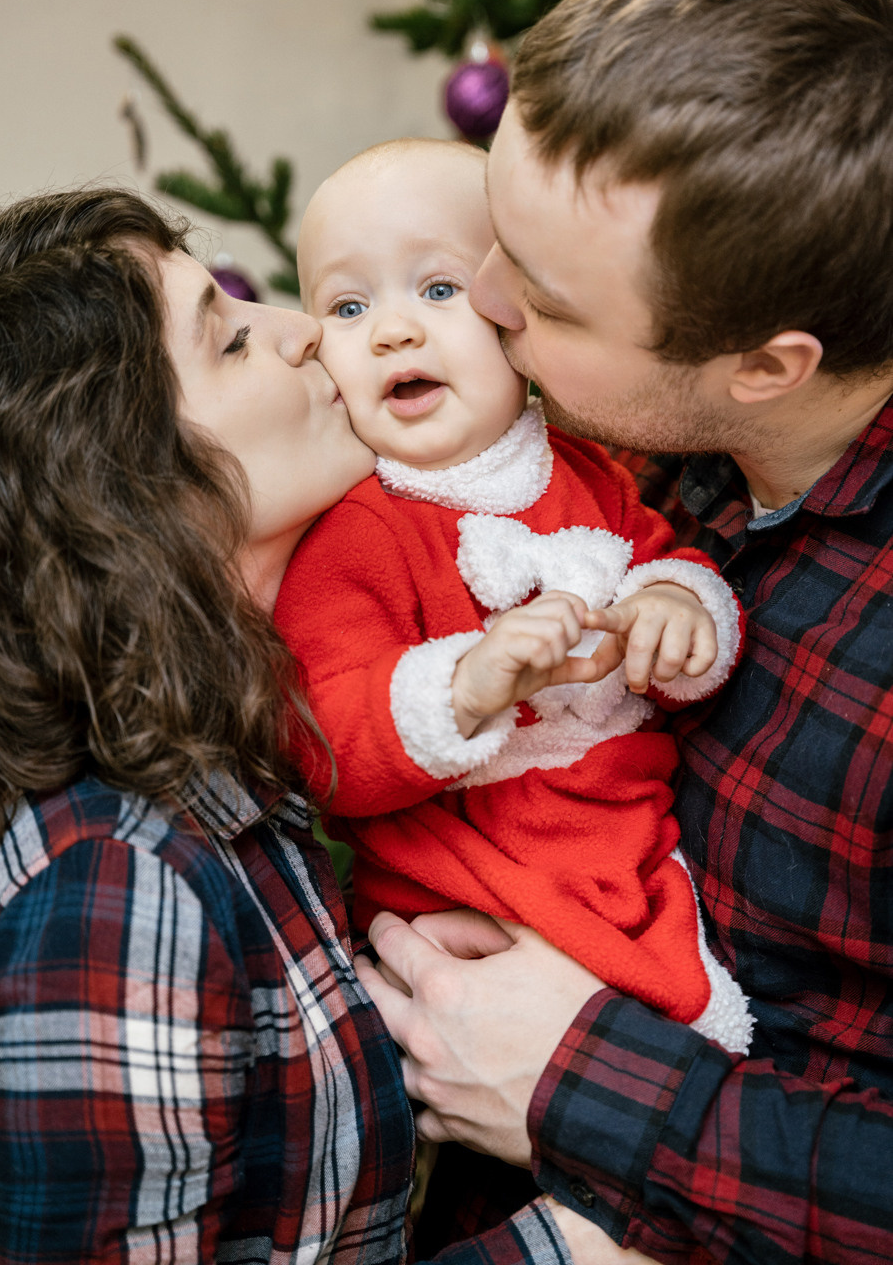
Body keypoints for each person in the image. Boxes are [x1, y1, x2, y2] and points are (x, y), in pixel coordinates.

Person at [0, 186, 633, 1264]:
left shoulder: (243, 772)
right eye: (228, 338)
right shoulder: (115, 881)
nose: (303, 329)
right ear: (124, 490)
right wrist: (569, 1249)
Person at [357, 0, 893, 1265]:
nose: (480, 300)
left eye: (543, 295)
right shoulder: (649, 462)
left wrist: (566, 1073)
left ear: (764, 365)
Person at [275, 138, 750, 1053]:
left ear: (516, 315)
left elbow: (661, 561)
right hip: (472, 869)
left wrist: (681, 610)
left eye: (440, 289)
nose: (393, 331)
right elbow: (319, 739)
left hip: (619, 822)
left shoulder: (591, 469)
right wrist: (464, 684)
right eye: (347, 304)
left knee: (696, 1015)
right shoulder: (353, 529)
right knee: (650, 1018)